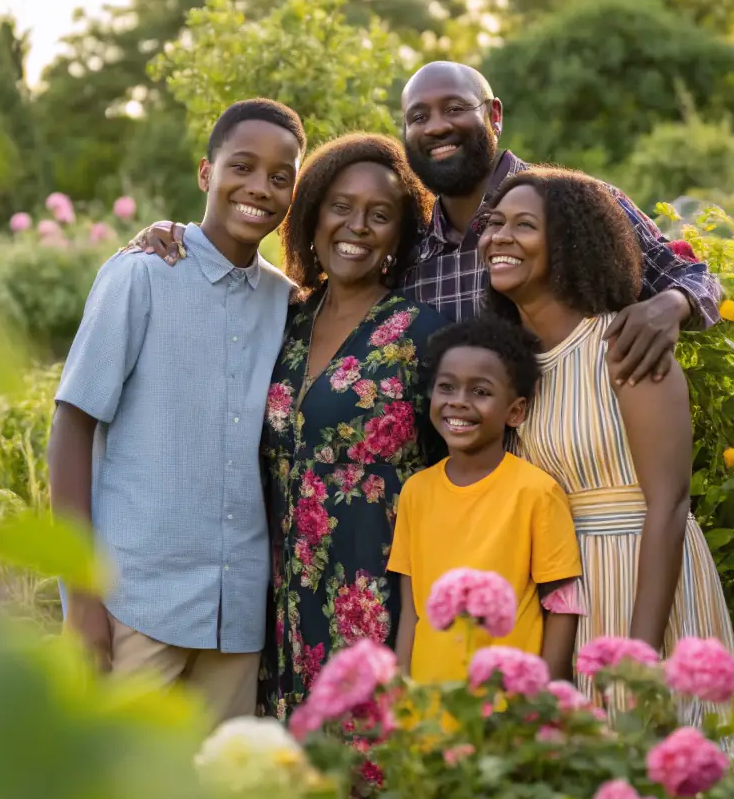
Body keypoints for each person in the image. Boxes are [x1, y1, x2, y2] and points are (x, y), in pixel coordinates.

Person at [126, 61, 721, 384]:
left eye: (453, 108)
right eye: (418, 116)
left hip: (580, 470)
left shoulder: (567, 205)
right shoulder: (410, 250)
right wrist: (182, 236)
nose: (435, 126)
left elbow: (694, 276)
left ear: (493, 115)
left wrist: (669, 307)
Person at [48, 99, 304, 725]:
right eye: (242, 166)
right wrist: (82, 601)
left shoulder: (285, 302)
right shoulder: (141, 275)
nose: (259, 188)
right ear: (204, 172)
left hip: (237, 615)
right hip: (135, 599)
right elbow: (71, 426)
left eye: (280, 176)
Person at [479, 165, 734, 724]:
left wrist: (641, 657)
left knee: (668, 774)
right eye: (494, 222)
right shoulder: (518, 368)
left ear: (570, 243)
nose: (499, 236)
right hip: (568, 598)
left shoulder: (626, 347)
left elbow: (669, 506)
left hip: (643, 582)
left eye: (524, 225)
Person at [261, 133, 448, 721]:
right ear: (313, 214)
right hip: (277, 598)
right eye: (341, 206)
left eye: (380, 215)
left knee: (370, 785)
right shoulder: (279, 320)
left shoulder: (425, 334)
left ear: (400, 234)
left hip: (377, 595)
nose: (357, 226)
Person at [389, 314, 581, 683]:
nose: (458, 402)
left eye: (480, 391)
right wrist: (400, 694)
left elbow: (562, 607)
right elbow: (411, 611)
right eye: (447, 387)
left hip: (507, 708)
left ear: (515, 412)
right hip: (429, 707)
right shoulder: (416, 491)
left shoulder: (537, 492)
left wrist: (546, 698)